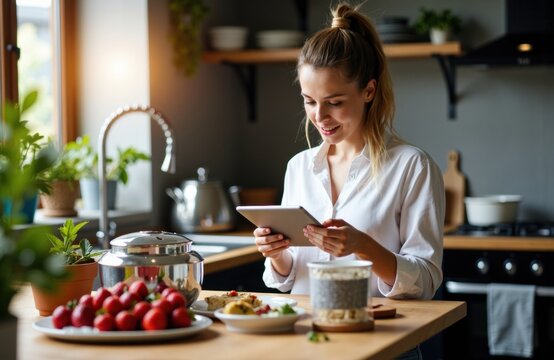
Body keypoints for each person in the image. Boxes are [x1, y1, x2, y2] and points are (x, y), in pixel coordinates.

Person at [254, 2, 445, 303]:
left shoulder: (411, 166)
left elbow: (425, 281)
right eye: (309, 101)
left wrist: (363, 246)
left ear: (368, 91)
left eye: (335, 102)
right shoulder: (299, 167)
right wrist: (276, 254)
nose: (319, 116)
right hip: (309, 343)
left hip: (383, 342)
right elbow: (288, 278)